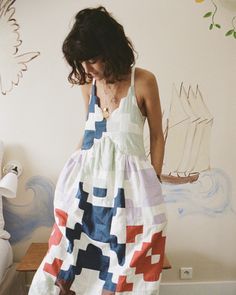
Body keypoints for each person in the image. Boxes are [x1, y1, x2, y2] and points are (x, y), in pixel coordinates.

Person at [29, 6, 167, 295]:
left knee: (129, 266)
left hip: (130, 191)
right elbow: (90, 133)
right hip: (89, 186)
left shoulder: (143, 81)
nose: (88, 69)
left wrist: (154, 178)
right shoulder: (87, 85)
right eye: (82, 62)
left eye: (92, 60)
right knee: (67, 262)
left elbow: (156, 136)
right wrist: (68, 174)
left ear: (111, 50)